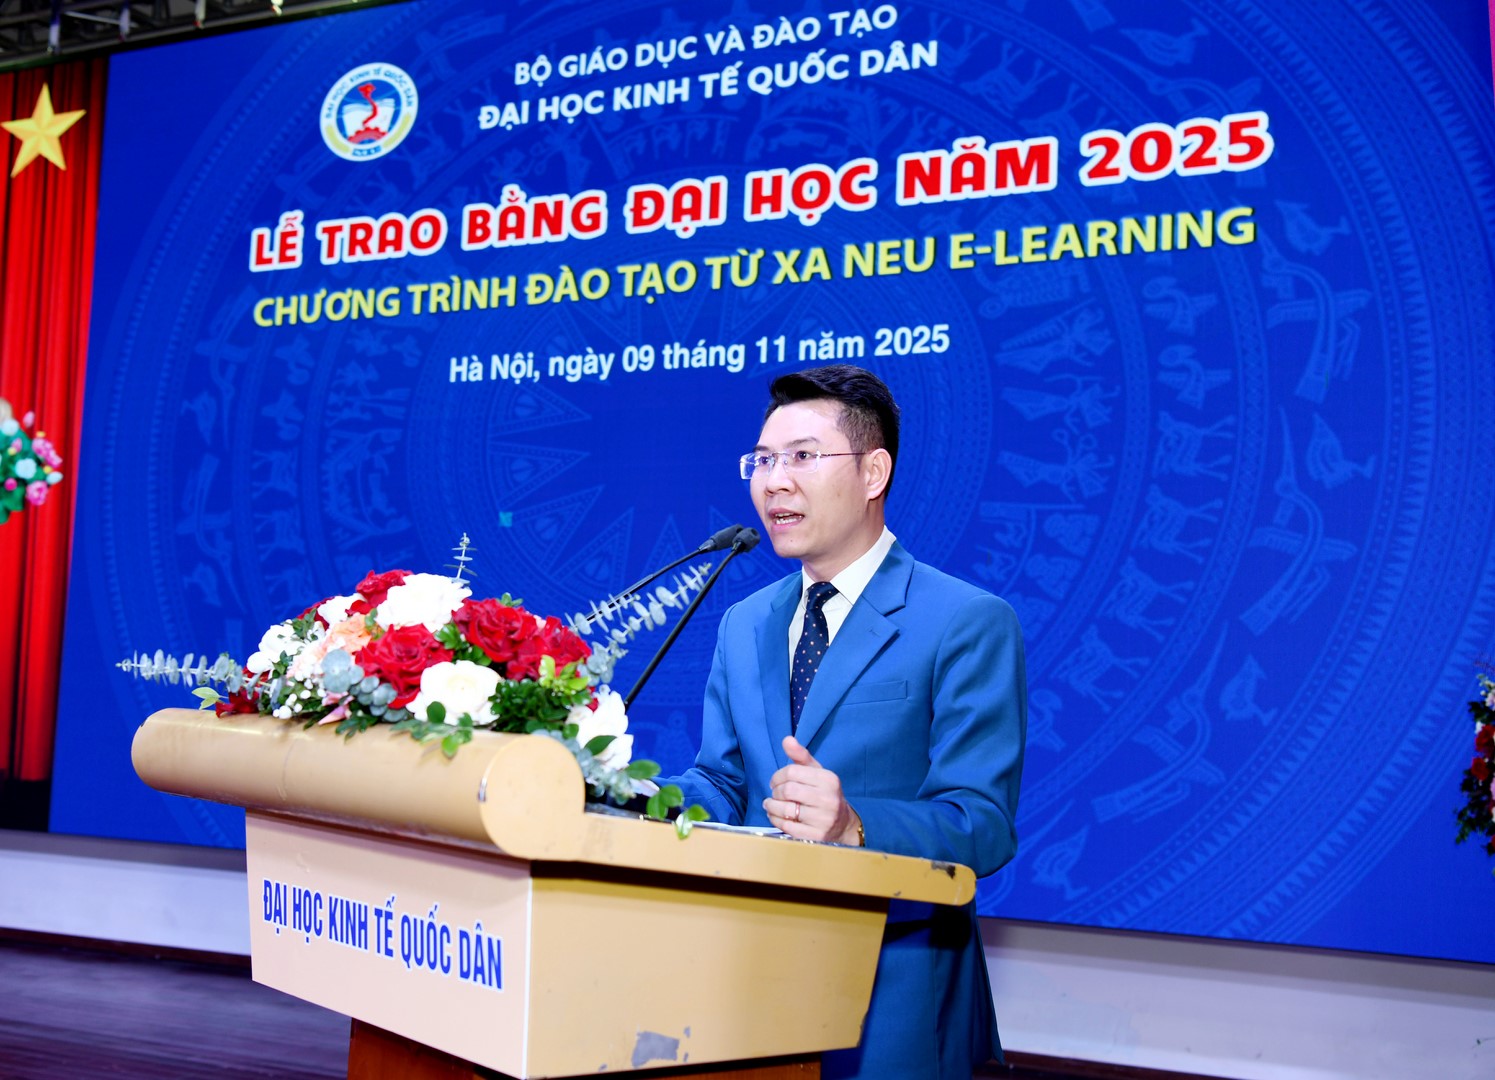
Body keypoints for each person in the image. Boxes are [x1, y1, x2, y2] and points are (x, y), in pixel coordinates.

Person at [664, 364, 1027, 1080]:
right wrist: (626, 791)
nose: (773, 483)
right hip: (751, 973)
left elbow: (981, 823)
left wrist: (854, 825)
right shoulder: (745, 622)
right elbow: (723, 781)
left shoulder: (965, 620)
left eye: (802, 457)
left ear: (873, 473)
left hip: (895, 988)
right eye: (762, 461)